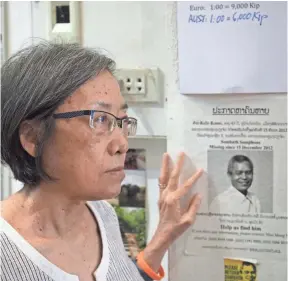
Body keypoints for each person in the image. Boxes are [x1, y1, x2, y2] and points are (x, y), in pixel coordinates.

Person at [0, 41, 203, 281]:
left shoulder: (102, 215)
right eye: (99, 120)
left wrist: (163, 236)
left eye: (122, 120)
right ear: (33, 137)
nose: (122, 144)